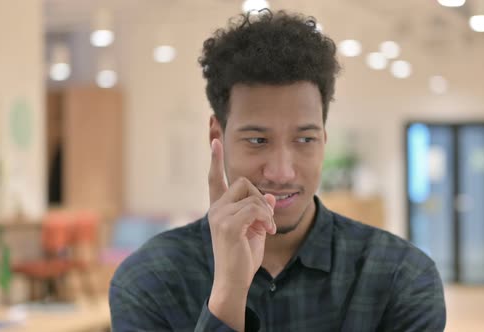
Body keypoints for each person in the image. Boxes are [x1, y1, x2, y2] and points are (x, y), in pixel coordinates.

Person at [110, 10, 446, 332]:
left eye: (304, 138)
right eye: (257, 139)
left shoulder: (401, 277)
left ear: (324, 139)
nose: (282, 172)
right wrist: (228, 292)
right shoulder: (148, 280)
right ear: (217, 137)